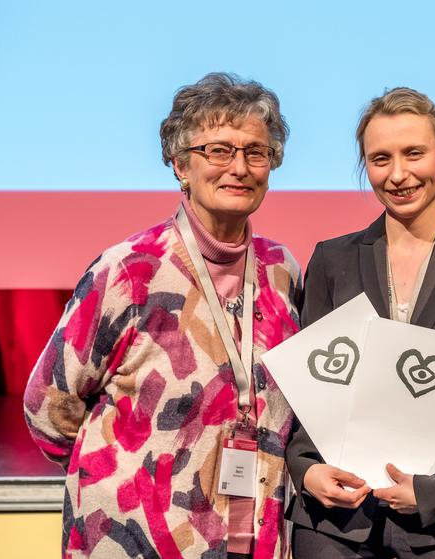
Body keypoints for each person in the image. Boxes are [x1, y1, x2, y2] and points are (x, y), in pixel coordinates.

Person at [23, 73, 300, 559]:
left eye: (256, 152)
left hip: (255, 537)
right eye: (218, 150)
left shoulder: (282, 269)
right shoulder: (131, 269)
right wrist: (122, 473)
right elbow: (48, 404)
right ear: (179, 165)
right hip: (138, 539)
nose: (239, 167)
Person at [285, 87, 435, 558]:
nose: (398, 174)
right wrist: (306, 467)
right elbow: (310, 387)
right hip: (336, 525)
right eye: (380, 158)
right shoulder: (332, 260)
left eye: (414, 153)